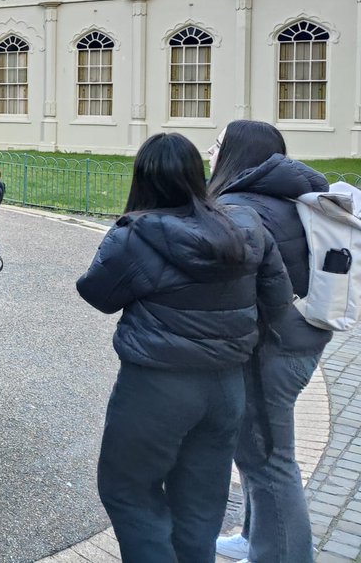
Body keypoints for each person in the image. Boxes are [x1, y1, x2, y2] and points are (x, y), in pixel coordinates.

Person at [76, 133, 293, 563]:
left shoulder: (135, 235)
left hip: (157, 386)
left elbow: (98, 294)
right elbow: (279, 301)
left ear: (142, 179)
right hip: (227, 386)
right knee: (200, 503)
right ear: (198, 175)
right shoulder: (245, 226)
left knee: (127, 488)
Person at [207, 121, 332, 563]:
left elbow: (232, 291)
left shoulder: (241, 207)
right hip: (299, 336)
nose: (210, 151)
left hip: (269, 347)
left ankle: (281, 554)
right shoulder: (283, 196)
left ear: (237, 154)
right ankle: (255, 536)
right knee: (259, 450)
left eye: (218, 144)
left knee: (269, 459)